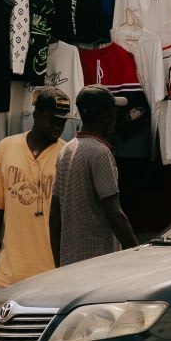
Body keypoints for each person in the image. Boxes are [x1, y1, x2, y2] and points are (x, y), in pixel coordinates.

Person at [0, 88, 69, 288]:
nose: (58, 127)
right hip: (9, 272)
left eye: (62, 122)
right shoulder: (6, 147)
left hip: (52, 273)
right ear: (36, 114)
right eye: (53, 120)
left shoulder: (67, 154)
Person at [50, 88, 138, 266]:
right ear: (105, 117)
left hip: (70, 263)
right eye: (114, 112)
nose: (116, 117)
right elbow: (115, 214)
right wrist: (137, 255)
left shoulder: (66, 150)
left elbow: (54, 213)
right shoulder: (100, 153)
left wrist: (58, 263)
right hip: (98, 264)